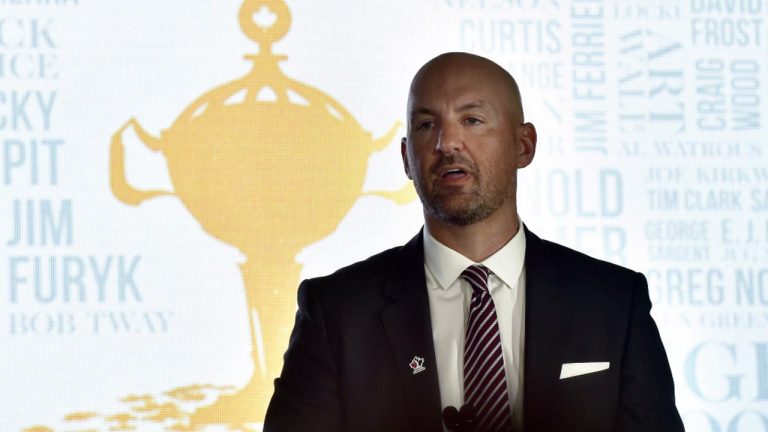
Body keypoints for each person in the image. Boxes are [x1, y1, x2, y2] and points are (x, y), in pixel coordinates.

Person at [263, 52, 684, 432]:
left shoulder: (612, 301)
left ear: (524, 145)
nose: (447, 143)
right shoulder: (337, 311)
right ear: (407, 157)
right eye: (427, 125)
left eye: (472, 120)